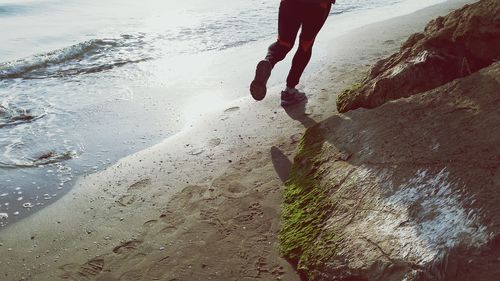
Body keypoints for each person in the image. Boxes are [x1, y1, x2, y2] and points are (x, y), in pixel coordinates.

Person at [250, 0, 335, 106]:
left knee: (283, 43)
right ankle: (290, 90)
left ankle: (268, 61)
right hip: (318, 5)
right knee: (305, 46)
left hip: (290, 3)